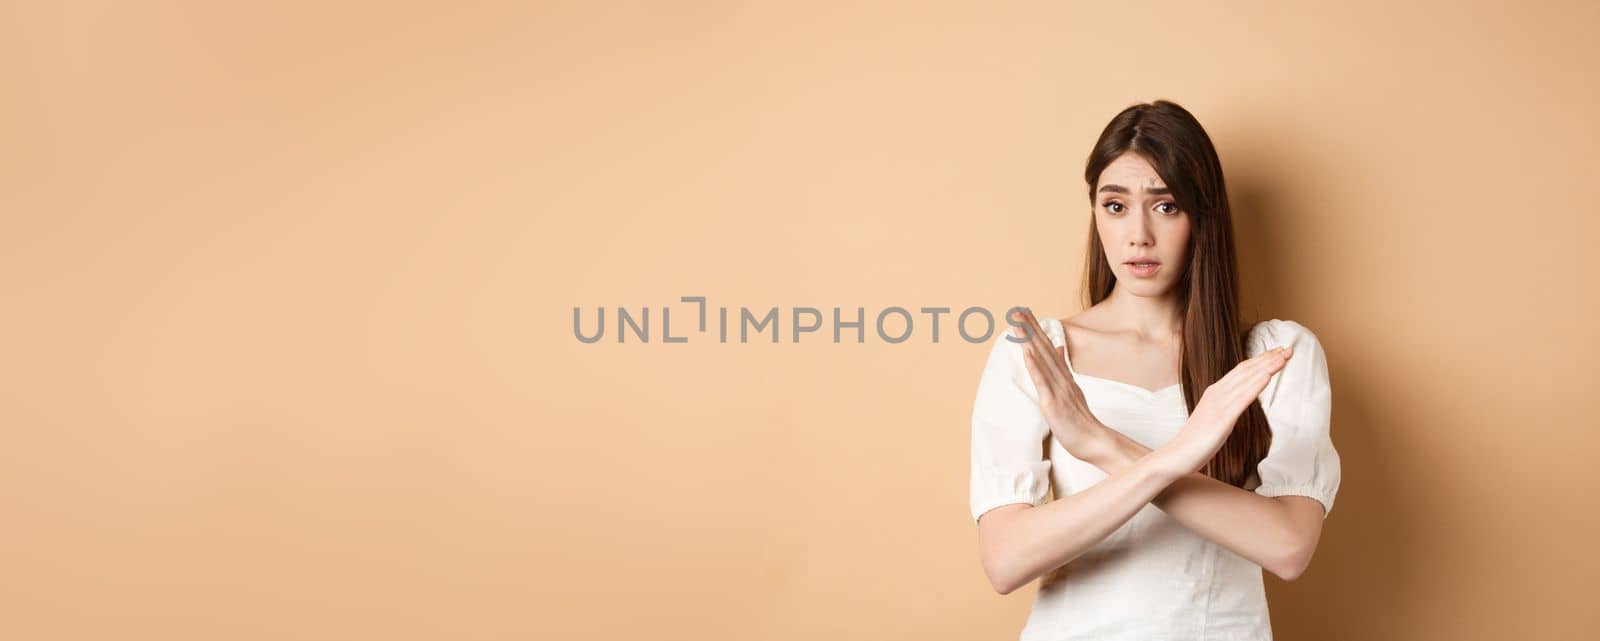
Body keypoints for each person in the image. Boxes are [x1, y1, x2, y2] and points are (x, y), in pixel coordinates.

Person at [968, 100, 1341, 640]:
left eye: (1166, 206)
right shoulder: (1038, 353)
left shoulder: (1272, 358)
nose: (1138, 235)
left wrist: (1102, 444)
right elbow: (1005, 560)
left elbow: (1288, 547)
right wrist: (1179, 455)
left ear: (1201, 215)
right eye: (1115, 206)